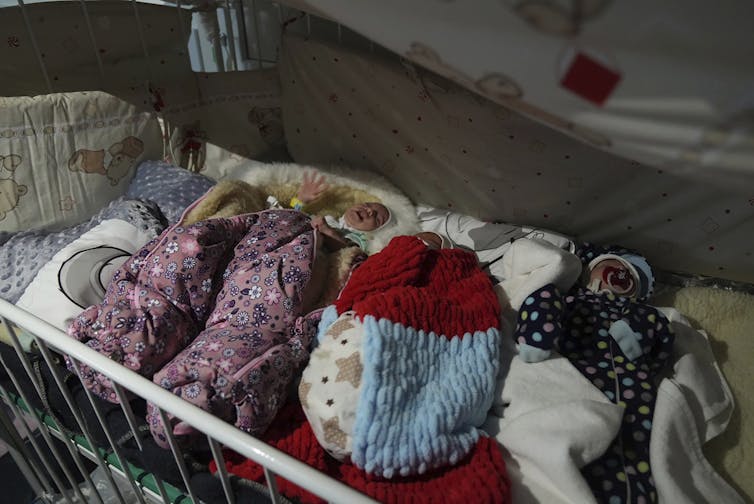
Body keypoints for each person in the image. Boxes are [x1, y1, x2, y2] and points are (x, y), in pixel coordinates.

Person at [289, 171, 395, 253]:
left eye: (377, 219)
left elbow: (346, 252)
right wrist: (300, 200)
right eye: (366, 205)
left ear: (374, 232)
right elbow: (290, 219)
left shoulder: (358, 239)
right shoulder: (330, 220)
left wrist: (328, 232)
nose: (370, 211)